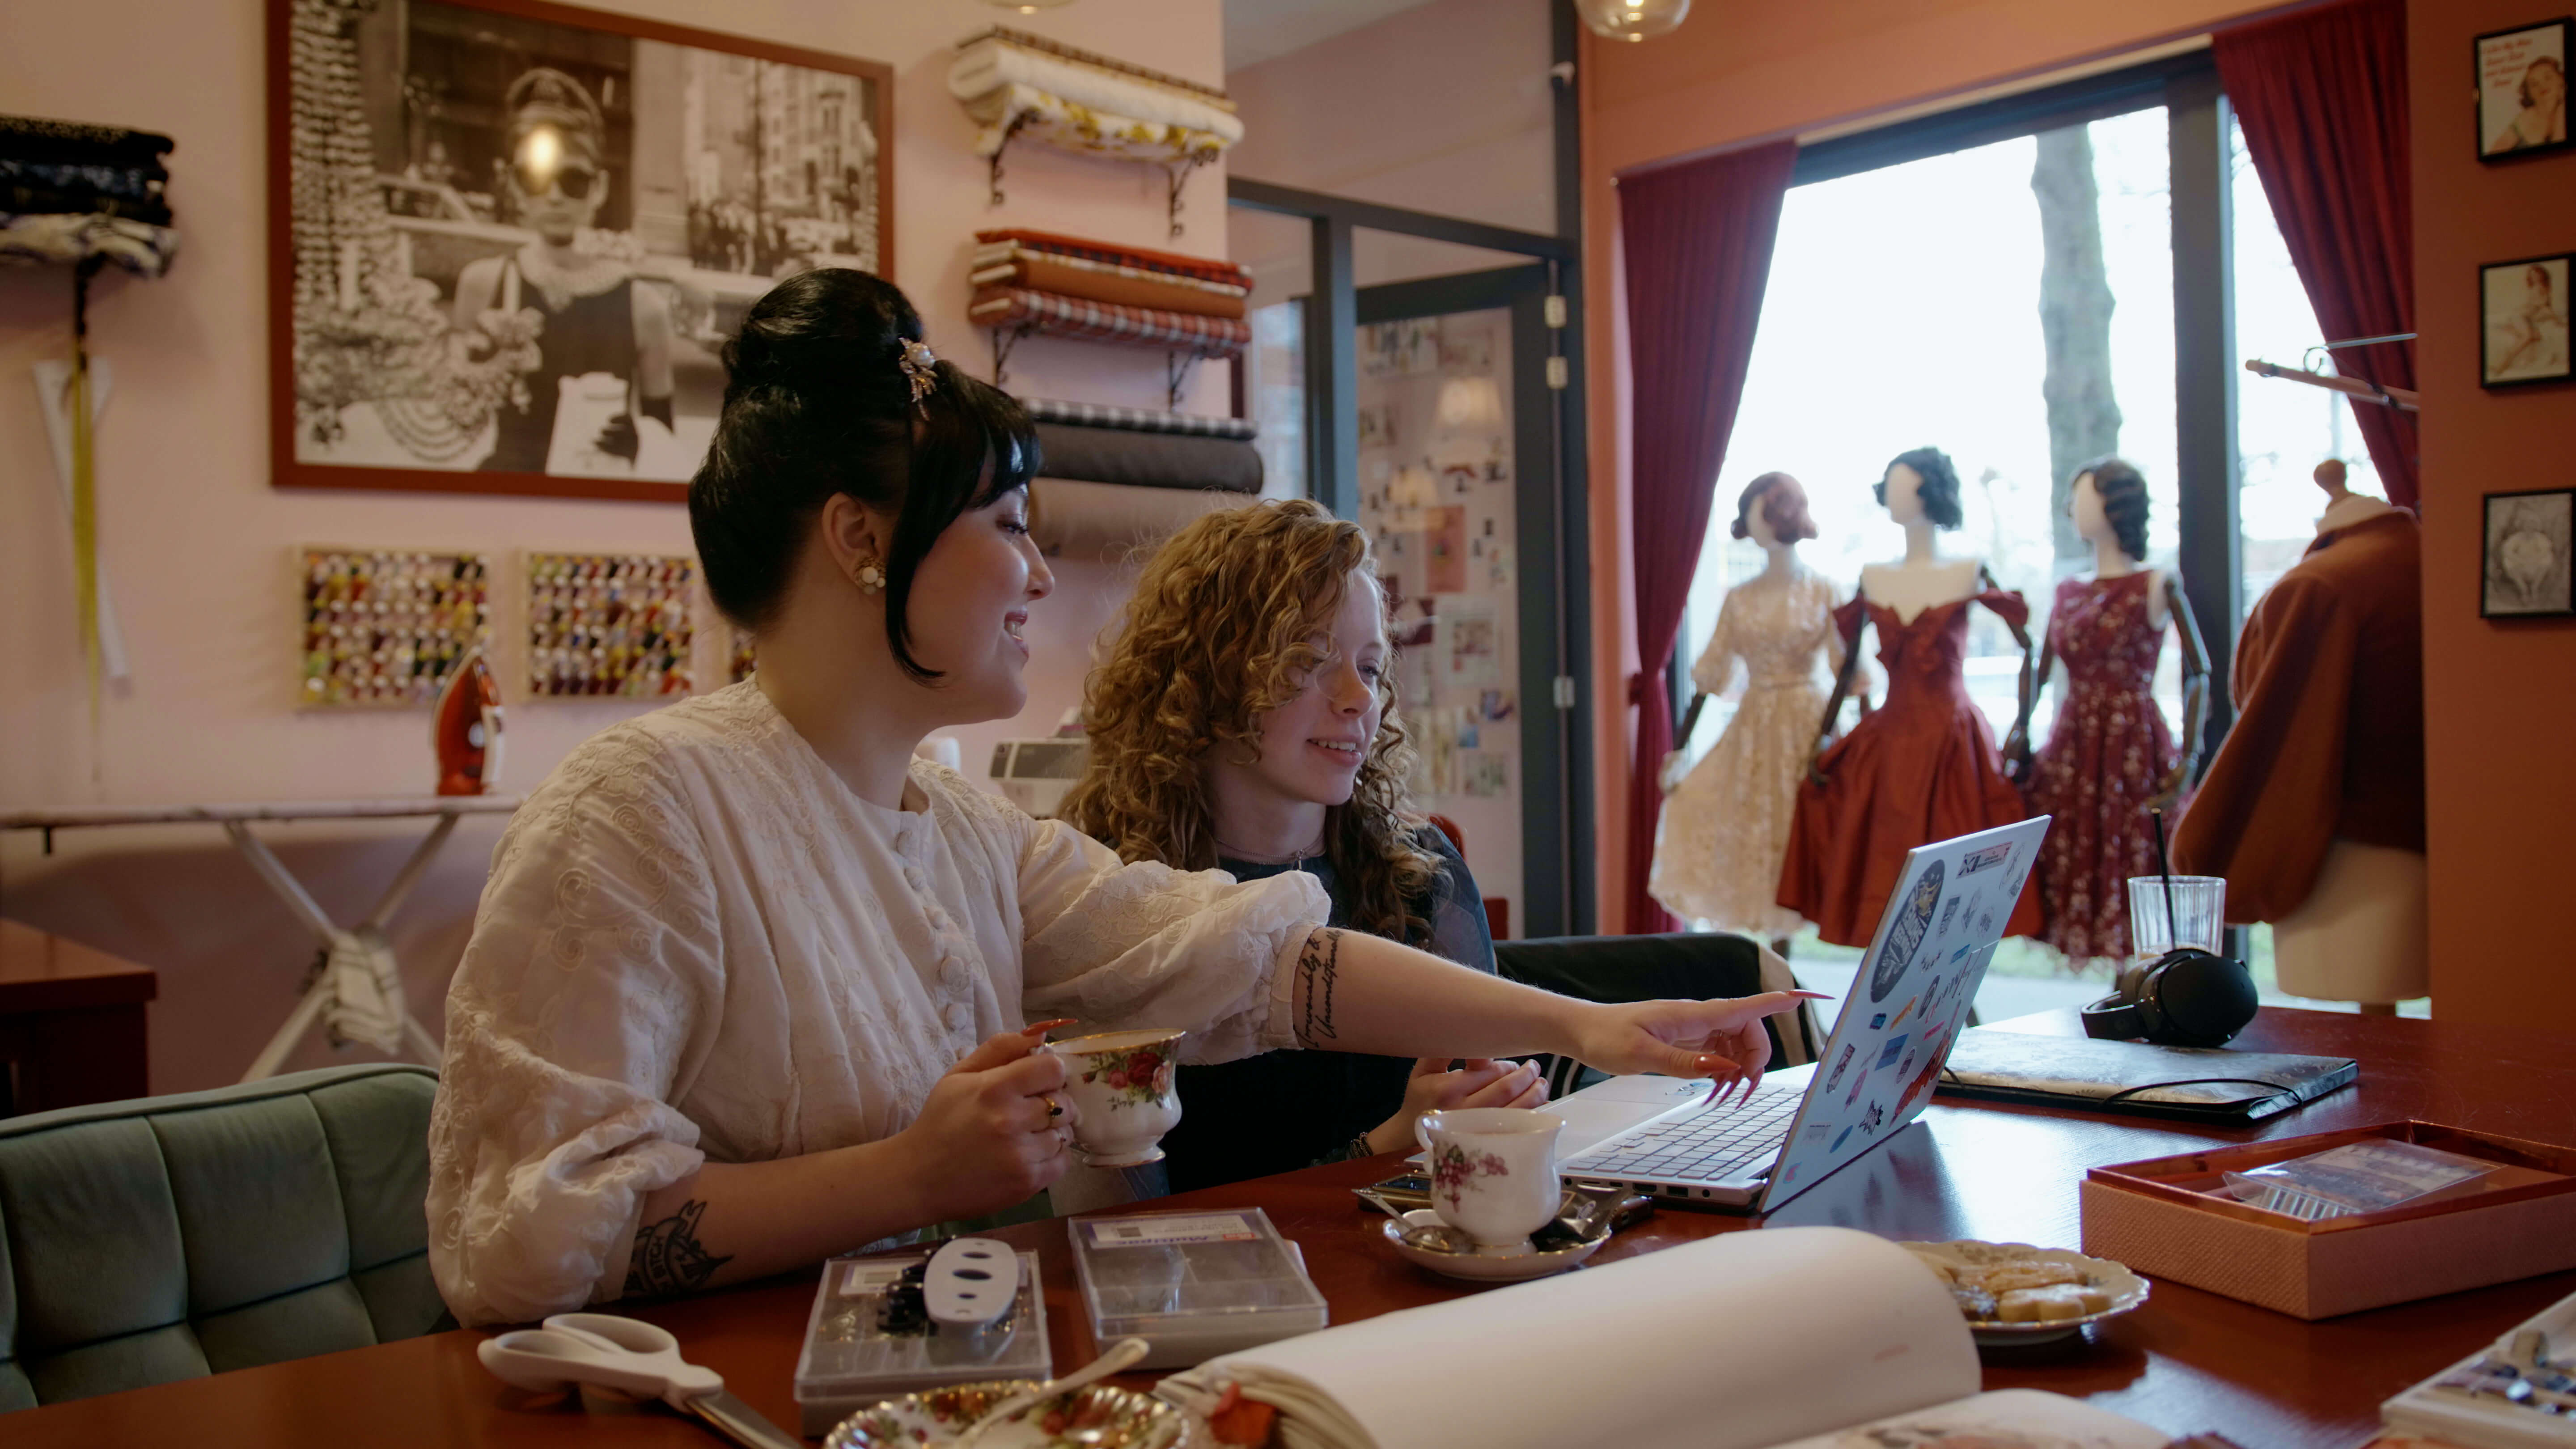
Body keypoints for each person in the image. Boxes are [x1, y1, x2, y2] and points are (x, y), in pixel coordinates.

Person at [425, 267, 1809, 1327]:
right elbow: (528, 1242)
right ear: (860, 540)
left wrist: (1592, 1029)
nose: (1038, 576)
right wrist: (910, 1178)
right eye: (1010, 527)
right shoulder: (642, 814)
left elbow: (1257, 962)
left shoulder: (964, 831)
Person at [1059, 500, 1546, 1192]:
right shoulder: (1115, 904)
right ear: (1208, 675)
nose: (1358, 700)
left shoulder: (1421, 875)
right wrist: (1386, 1146)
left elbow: (1491, 1157)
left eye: (1372, 668)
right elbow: (1123, 1224)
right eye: (1311, 661)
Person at [452, 67, 675, 474]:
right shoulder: (483, 285)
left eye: (573, 180)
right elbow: (455, 415)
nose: (554, 197)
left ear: (599, 188)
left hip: (596, 504)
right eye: (537, 179)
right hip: (505, 497)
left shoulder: (645, 308)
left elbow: (664, 436)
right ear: (515, 188)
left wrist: (639, 438)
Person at [2488, 55, 2567, 154]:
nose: (2542, 85)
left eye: (2548, 77)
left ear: (2561, 79)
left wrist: (2561, 109)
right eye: (2534, 84)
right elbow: (2494, 152)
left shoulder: (2565, 111)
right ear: (2529, 93)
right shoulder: (2525, 118)